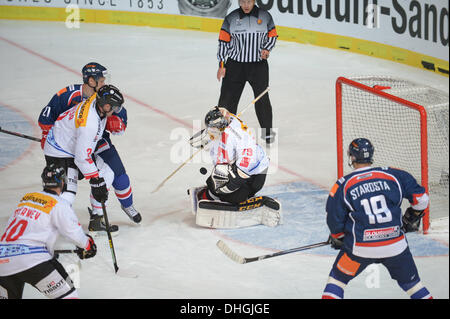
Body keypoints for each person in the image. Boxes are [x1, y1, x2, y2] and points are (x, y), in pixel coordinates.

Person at [322, 138, 432, 299]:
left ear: (351, 157)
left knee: (337, 281)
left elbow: (334, 219)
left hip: (359, 250)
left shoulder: (343, 184)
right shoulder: (394, 175)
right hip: (396, 248)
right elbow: (422, 200)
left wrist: (338, 237)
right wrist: (413, 215)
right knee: (415, 287)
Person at [38, 62, 142, 227]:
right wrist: (47, 135)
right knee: (67, 193)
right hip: (67, 149)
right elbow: (47, 119)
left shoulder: (101, 96)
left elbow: (119, 117)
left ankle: (99, 217)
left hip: (91, 142)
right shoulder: (73, 100)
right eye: (101, 80)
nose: (104, 83)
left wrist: (118, 122)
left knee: (113, 174)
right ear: (91, 81)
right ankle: (47, 224)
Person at [0, 164, 96, 299]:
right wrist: (87, 245)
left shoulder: (26, 198)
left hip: (3, 259)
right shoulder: (60, 204)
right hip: (34, 260)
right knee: (69, 295)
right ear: (63, 182)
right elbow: (74, 232)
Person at [43, 84, 125, 234]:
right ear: (106, 106)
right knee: (67, 195)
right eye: (114, 108)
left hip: (72, 146)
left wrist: (98, 179)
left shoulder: (96, 99)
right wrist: (95, 180)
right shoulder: (89, 124)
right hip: (60, 152)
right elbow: (81, 158)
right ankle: (45, 229)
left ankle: (97, 219)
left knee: (107, 173)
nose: (115, 112)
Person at [188, 107, 281, 229]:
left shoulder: (239, 137)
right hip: (240, 167)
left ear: (221, 126)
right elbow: (228, 116)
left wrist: (230, 183)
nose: (210, 132)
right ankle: (210, 194)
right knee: (220, 178)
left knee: (234, 196)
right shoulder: (227, 125)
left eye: (213, 129)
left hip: (254, 173)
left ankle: (221, 194)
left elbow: (245, 166)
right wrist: (223, 111)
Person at [216, 0, 278, 144]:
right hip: (235, 66)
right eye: (242, 1)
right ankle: (225, 130)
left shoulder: (265, 16)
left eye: (249, 1)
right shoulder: (230, 18)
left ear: (254, 1)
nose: (246, 5)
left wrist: (267, 49)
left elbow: (273, 35)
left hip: (258, 67)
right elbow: (223, 42)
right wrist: (221, 64)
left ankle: (267, 133)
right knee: (227, 98)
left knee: (262, 99)